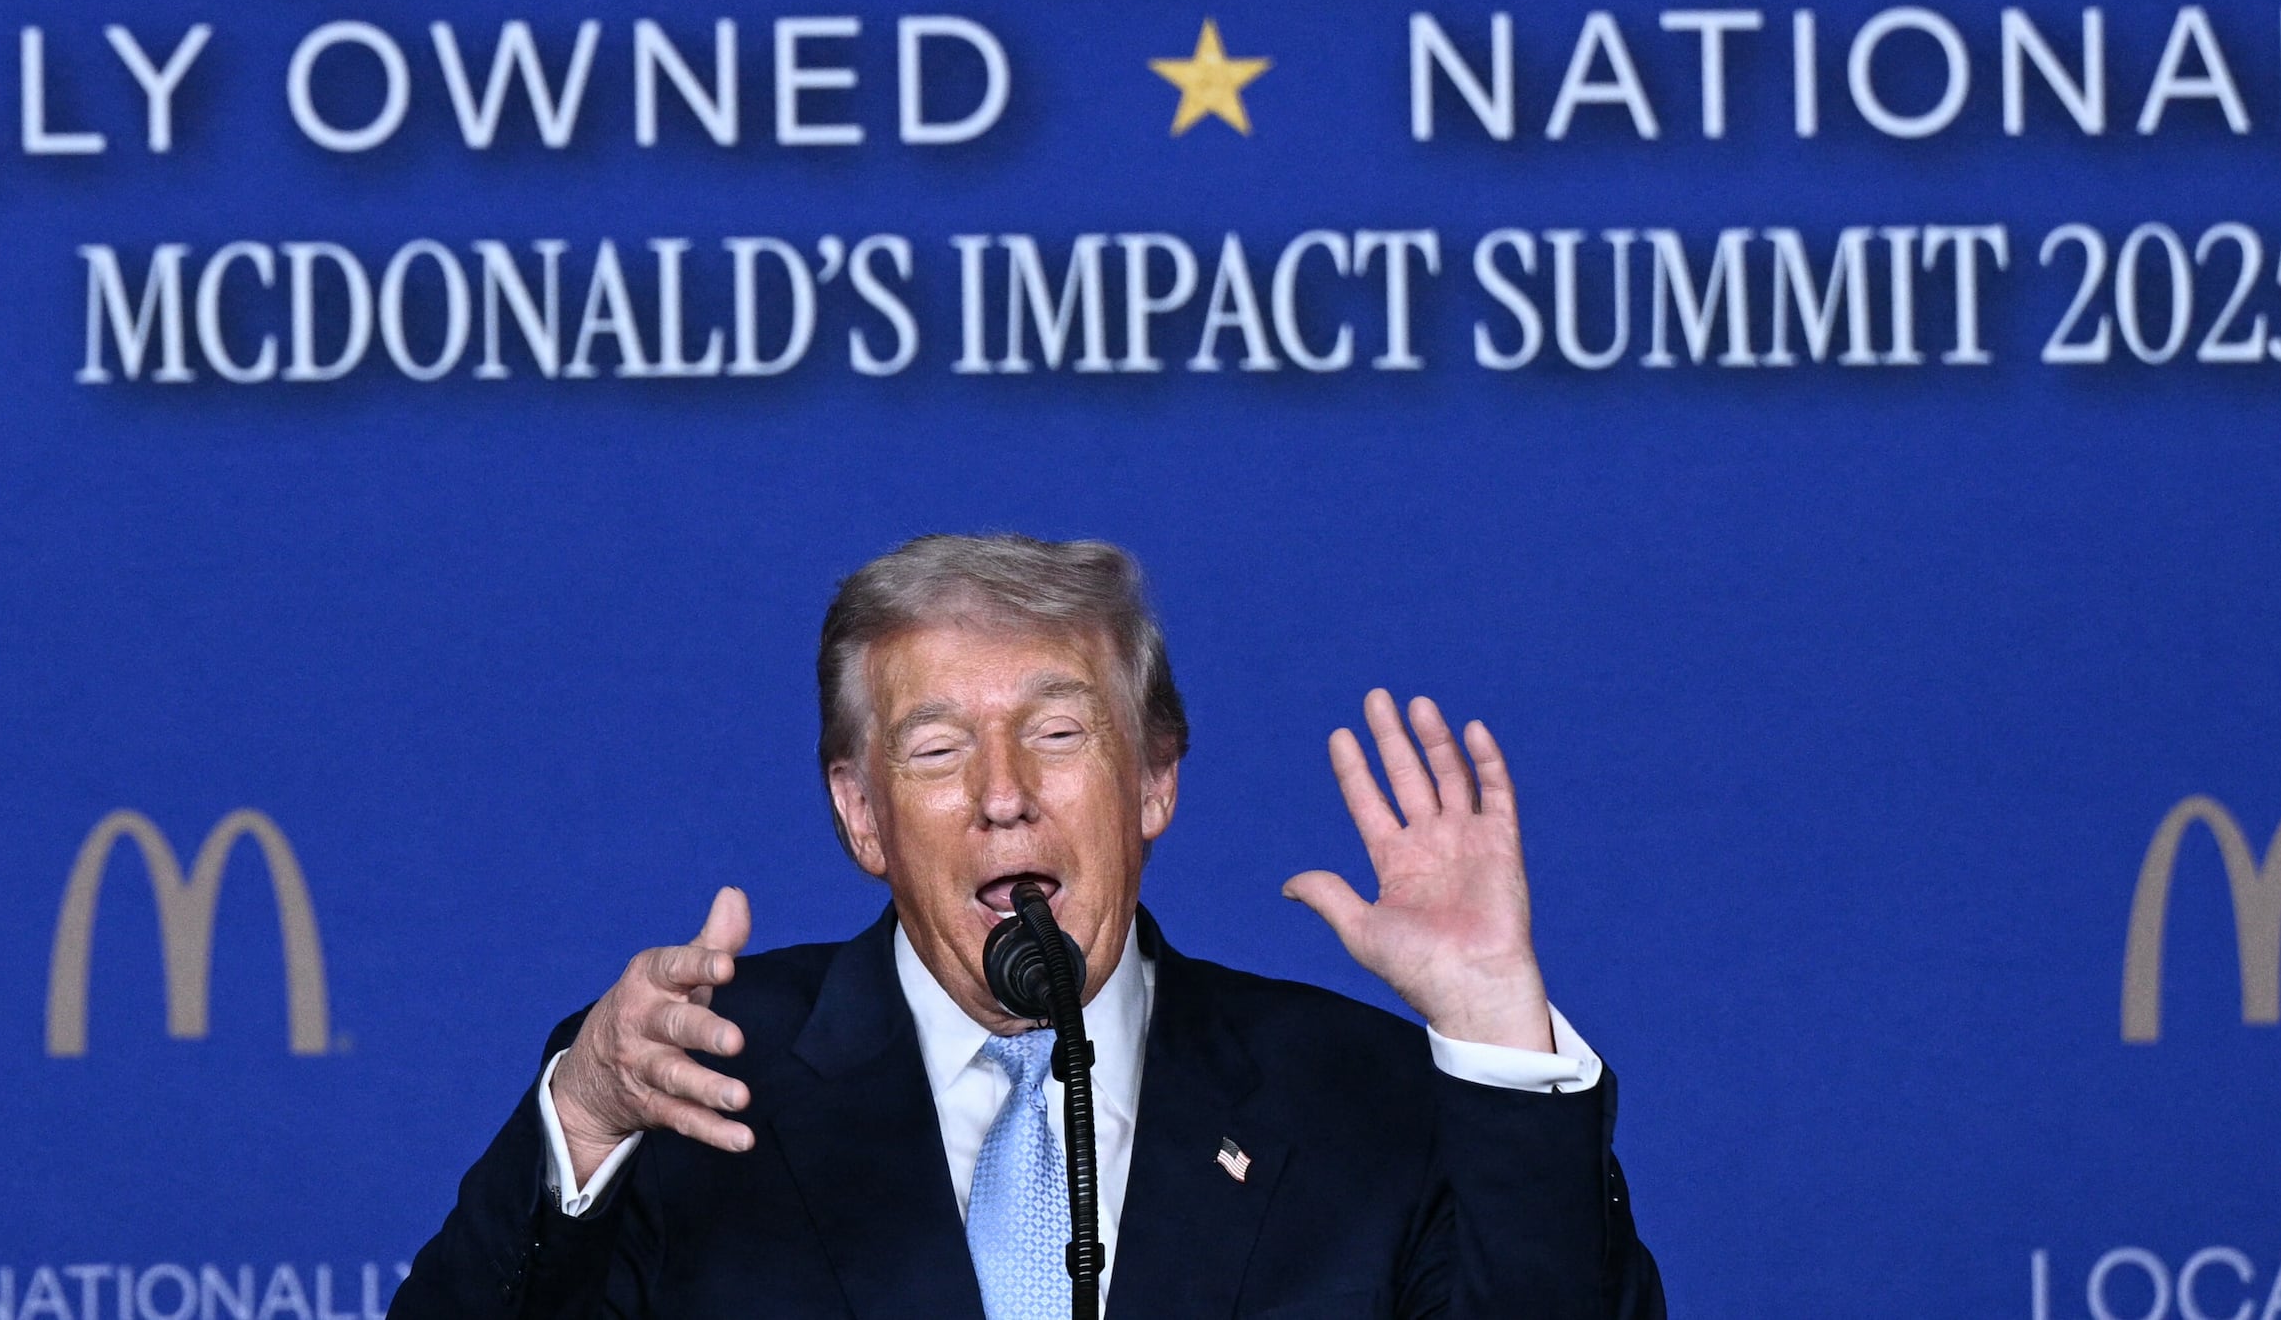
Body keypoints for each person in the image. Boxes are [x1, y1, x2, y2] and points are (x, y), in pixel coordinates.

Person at [392, 533, 1664, 1320]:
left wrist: (1497, 1026)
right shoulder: (687, 1084)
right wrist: (584, 1120)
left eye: (1058, 734)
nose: (1003, 794)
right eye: (937, 749)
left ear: (1153, 780)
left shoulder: (1369, 1102)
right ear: (862, 817)